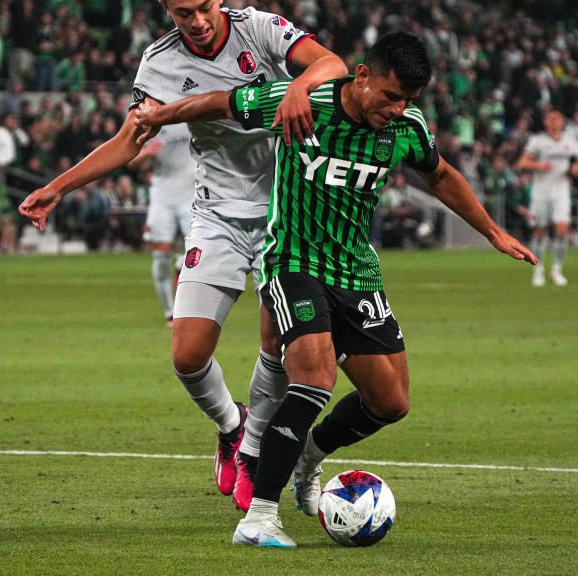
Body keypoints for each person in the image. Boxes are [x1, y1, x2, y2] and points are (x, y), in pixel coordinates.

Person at [133, 31, 537, 548]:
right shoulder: (304, 104)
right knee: (315, 379)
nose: (397, 109)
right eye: (390, 96)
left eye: (408, 101)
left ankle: (308, 455)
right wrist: (158, 116)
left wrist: (493, 232)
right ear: (362, 75)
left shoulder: (406, 129)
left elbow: (440, 177)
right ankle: (258, 518)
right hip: (293, 260)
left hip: (356, 271)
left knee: (391, 402)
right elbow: (223, 101)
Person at [18, 0, 347, 512]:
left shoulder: (261, 30)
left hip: (283, 212)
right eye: (182, 13)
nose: (197, 22)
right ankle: (229, 423)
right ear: (165, 9)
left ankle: (252, 449)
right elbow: (129, 140)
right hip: (217, 213)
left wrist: (298, 86)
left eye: (204, 7)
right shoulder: (160, 63)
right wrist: (59, 186)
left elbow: (332, 64)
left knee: (277, 342)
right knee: (188, 355)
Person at [128, 122, 194, 326]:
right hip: (162, 197)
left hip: (191, 194)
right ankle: (170, 312)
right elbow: (131, 161)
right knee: (161, 256)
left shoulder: (191, 117)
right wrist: (147, 152)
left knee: (199, 250)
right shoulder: (153, 120)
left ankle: (180, 263)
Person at [515, 108, 578, 286]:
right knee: (540, 230)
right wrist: (538, 165)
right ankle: (538, 269)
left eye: (557, 118)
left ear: (562, 121)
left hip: (561, 190)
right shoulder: (537, 141)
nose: (553, 122)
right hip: (540, 191)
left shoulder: (571, 142)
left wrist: (575, 171)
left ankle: (557, 270)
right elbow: (522, 162)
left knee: (562, 229)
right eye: (550, 119)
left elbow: (576, 164)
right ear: (545, 122)